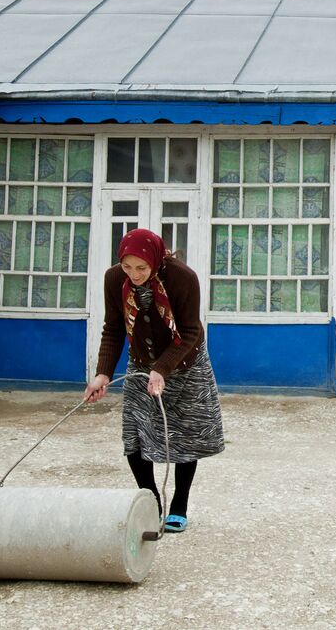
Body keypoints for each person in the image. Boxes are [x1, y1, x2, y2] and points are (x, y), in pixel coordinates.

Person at [83, 228, 225, 532]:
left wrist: (162, 369)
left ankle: (179, 506)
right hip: (142, 363)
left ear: (155, 261)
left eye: (141, 268)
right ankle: (151, 502)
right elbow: (114, 328)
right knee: (135, 435)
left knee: (186, 434)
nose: (134, 275)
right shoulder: (113, 280)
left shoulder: (182, 278)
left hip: (185, 362)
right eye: (127, 267)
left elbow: (189, 332)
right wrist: (103, 373)